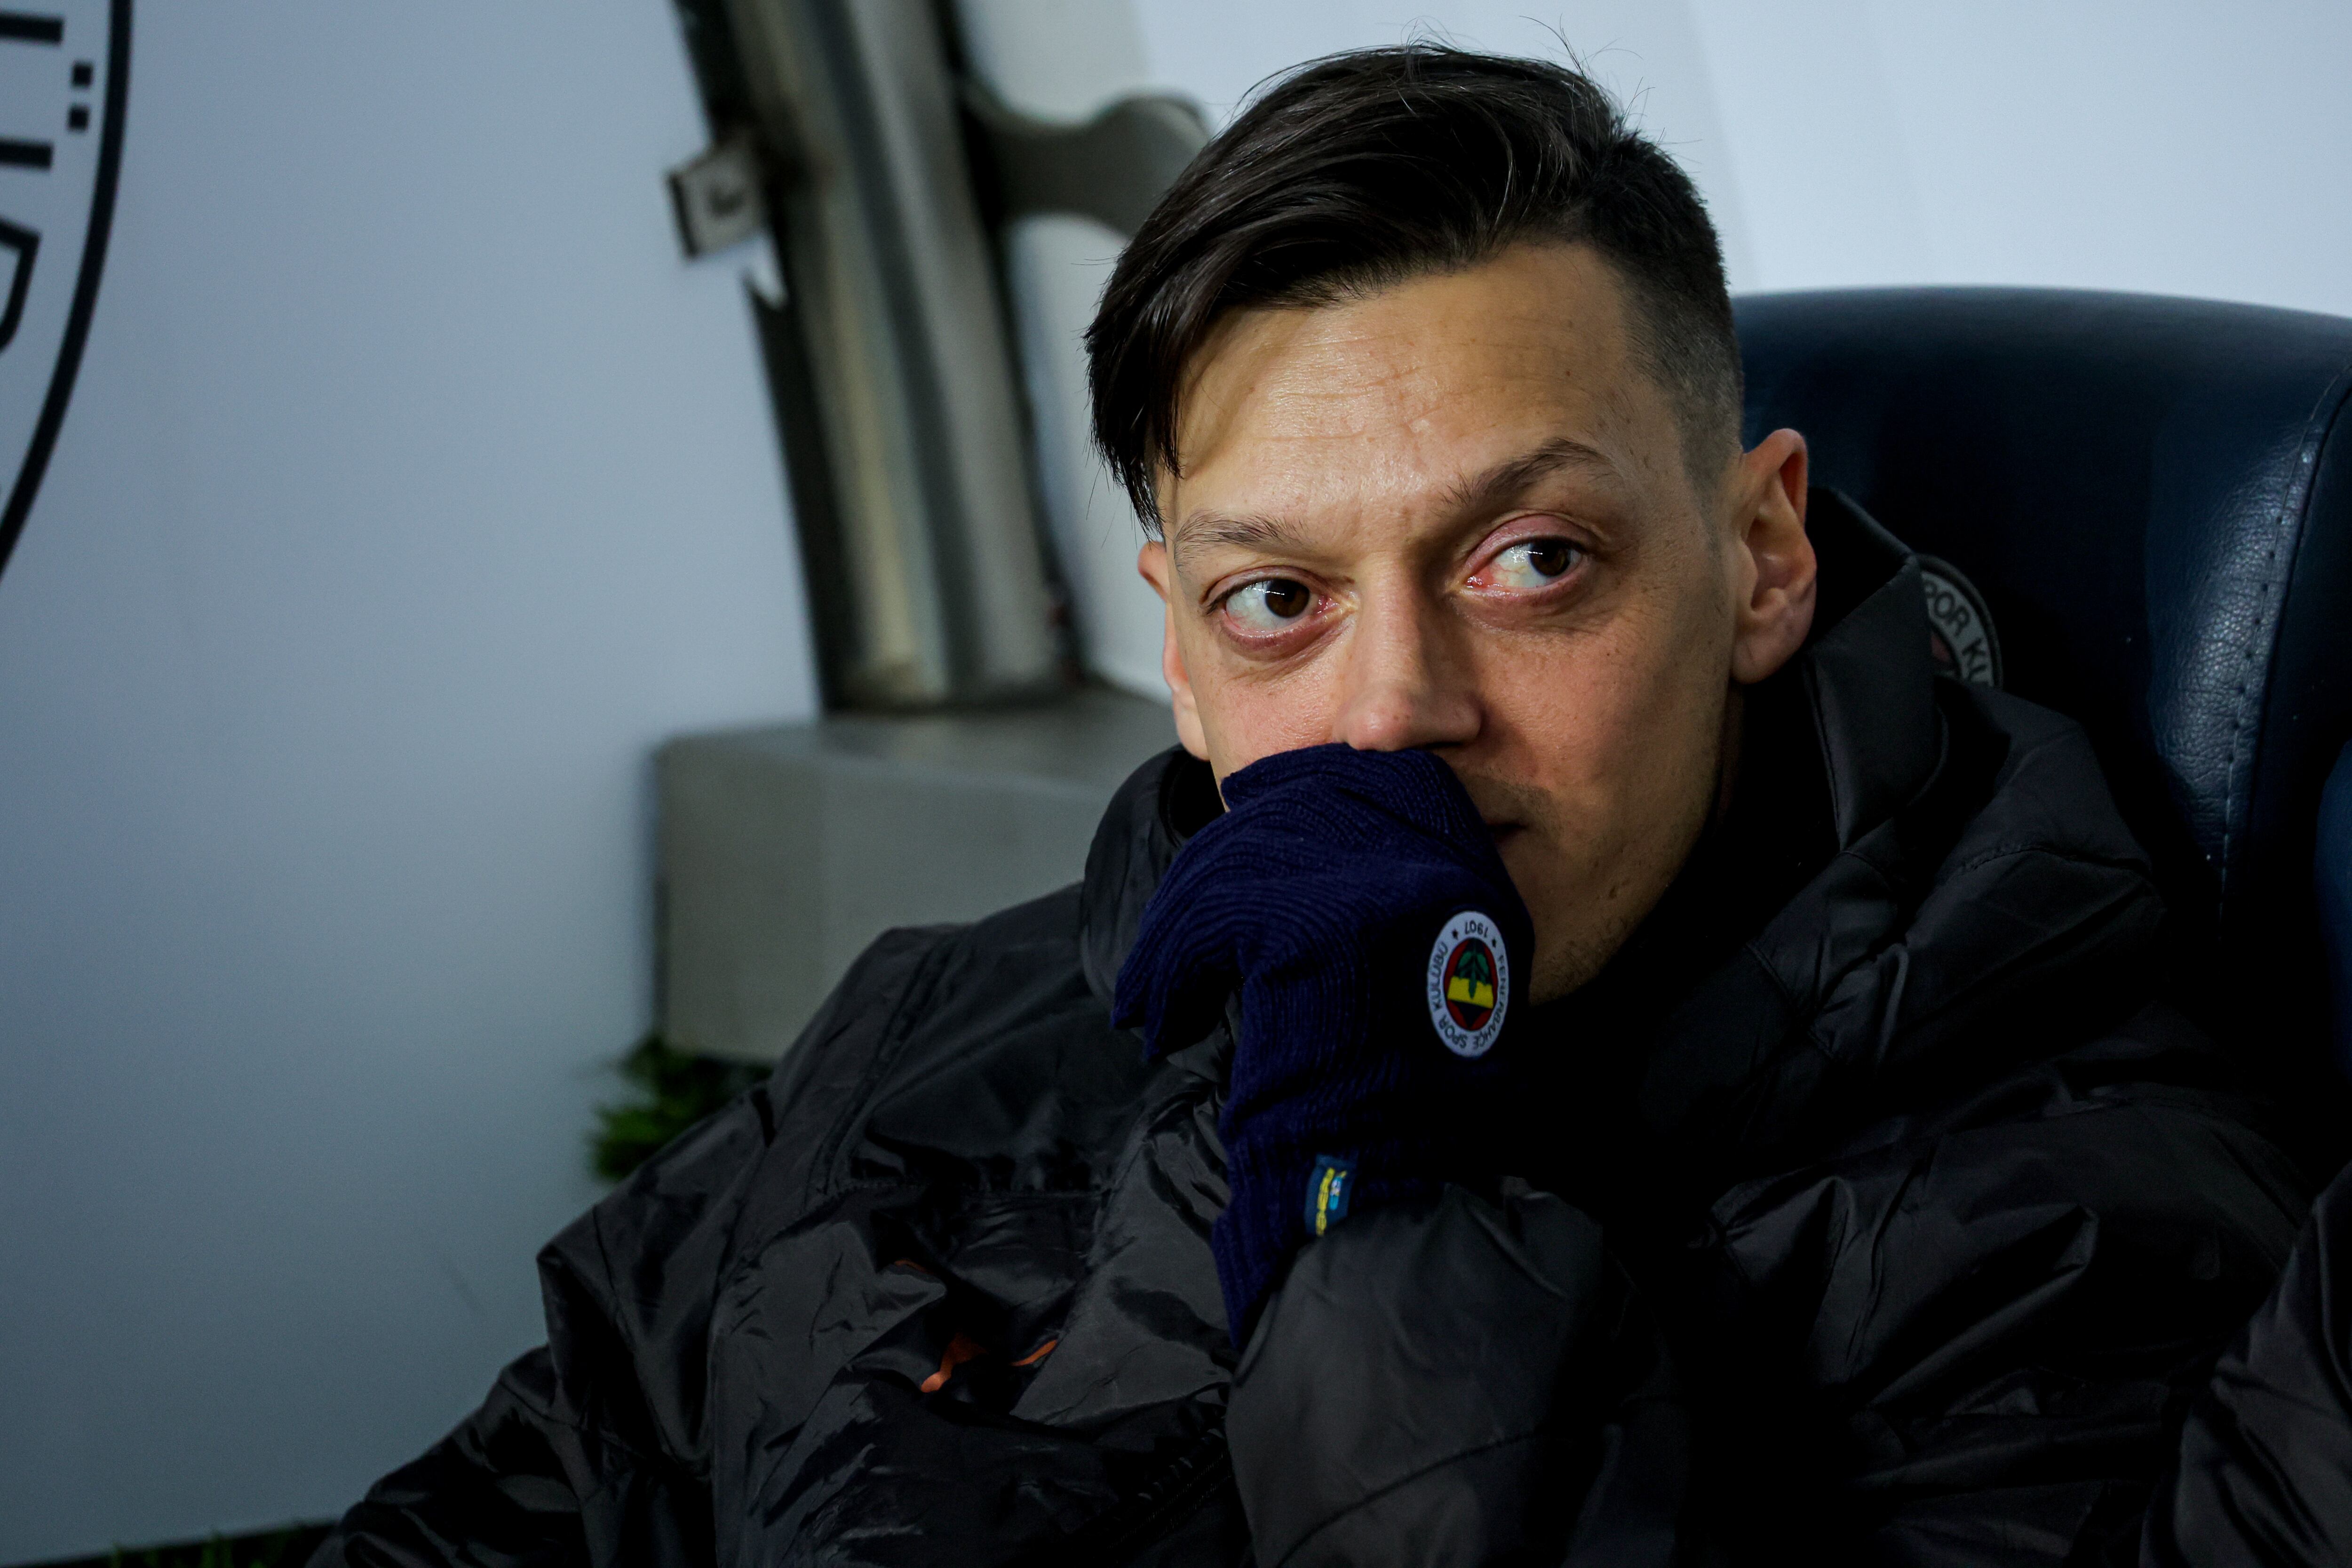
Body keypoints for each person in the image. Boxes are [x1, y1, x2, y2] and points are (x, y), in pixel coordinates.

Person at [311, 47, 2313, 1567]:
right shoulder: (947, 1026)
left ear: (1761, 559)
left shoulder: (2050, 1229)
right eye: (1277, 602)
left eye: (1530, 562)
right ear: (1176, 652)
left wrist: (1377, 1167)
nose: (1388, 717)